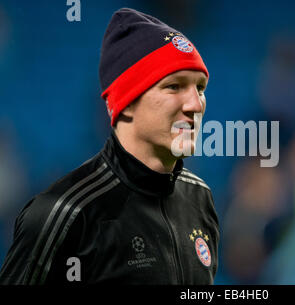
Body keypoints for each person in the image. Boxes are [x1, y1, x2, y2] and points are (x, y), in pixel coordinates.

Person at [0, 8, 219, 285]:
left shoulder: (201, 198)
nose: (196, 104)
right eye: (174, 87)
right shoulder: (64, 213)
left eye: (199, 88)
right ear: (126, 104)